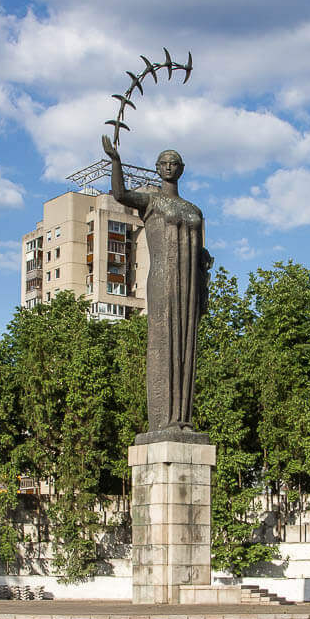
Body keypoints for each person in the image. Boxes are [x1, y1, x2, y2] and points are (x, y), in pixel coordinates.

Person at [103, 135, 212, 436]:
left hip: (189, 284)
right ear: (157, 168)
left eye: (173, 164)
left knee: (186, 346)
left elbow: (199, 249)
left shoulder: (194, 210)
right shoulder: (151, 200)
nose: (168, 167)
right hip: (163, 279)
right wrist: (115, 161)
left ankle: (182, 420)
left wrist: (204, 261)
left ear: (182, 169)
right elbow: (120, 193)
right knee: (164, 343)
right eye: (163, 163)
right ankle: (163, 421)